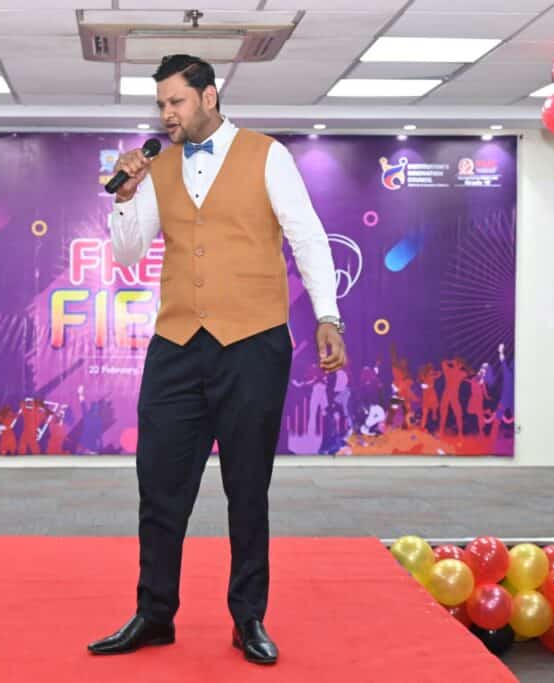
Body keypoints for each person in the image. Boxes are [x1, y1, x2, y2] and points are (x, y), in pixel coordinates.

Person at [86, 54, 347, 665]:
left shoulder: (267, 155)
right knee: (159, 486)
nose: (166, 114)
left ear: (209, 96)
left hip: (253, 344)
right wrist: (125, 196)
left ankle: (248, 618)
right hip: (177, 345)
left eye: (175, 101)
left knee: (247, 488)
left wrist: (327, 316)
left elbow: (307, 236)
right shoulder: (158, 166)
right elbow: (128, 253)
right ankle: (154, 614)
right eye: (160, 104)